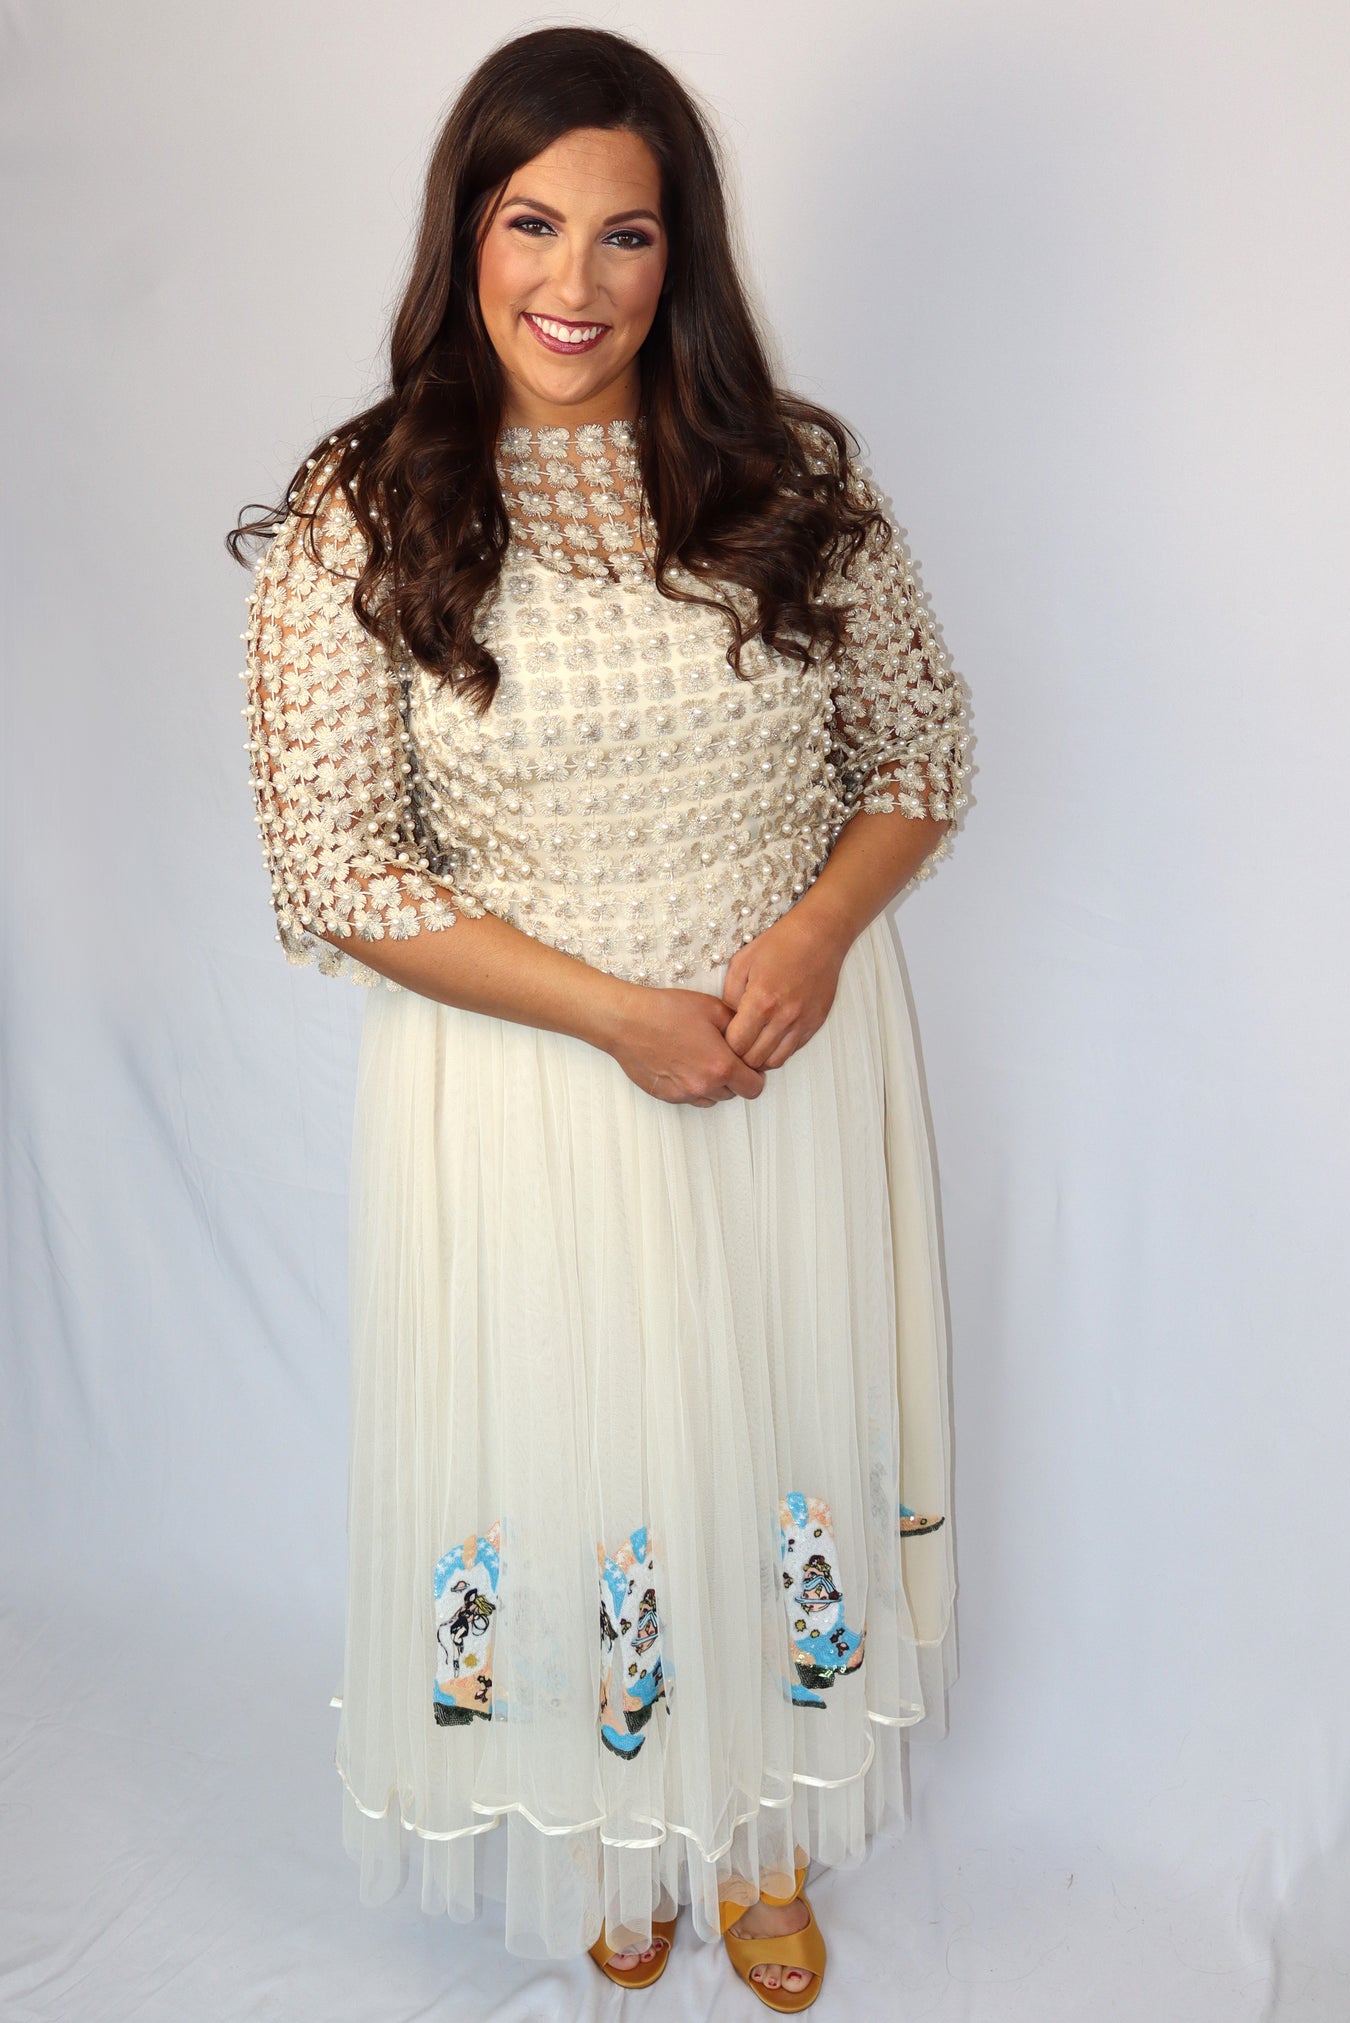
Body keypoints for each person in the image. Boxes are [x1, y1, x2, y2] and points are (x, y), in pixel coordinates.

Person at [233, 24, 976, 2011]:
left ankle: (766, 1827)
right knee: (581, 1461)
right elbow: (343, 867)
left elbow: (919, 748)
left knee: (771, 1436)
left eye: (625, 235)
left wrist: (810, 943)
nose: (575, 283)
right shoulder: (367, 504)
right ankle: (618, 1820)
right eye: (530, 222)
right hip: (535, 1080)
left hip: (780, 1058)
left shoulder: (786, 475)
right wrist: (613, 1015)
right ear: (464, 235)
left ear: (684, 254)